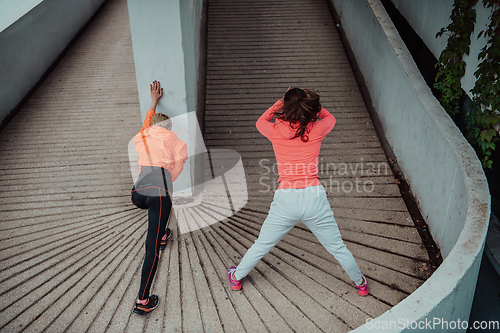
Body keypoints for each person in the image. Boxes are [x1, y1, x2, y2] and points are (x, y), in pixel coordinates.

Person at [227, 87, 369, 296]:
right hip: (314, 196)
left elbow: (260, 121)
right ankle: (360, 284)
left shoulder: (275, 130)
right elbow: (330, 117)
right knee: (337, 247)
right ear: (308, 108)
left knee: (262, 244)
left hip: (286, 198)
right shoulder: (317, 129)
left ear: (286, 107)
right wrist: (311, 107)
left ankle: (237, 278)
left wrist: (280, 101)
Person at [131, 81, 188, 315]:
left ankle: (163, 233)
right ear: (169, 128)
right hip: (159, 193)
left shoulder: (141, 136)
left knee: (158, 220)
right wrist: (169, 181)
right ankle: (142, 301)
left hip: (137, 194)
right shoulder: (174, 139)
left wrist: (153, 101)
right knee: (151, 248)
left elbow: (148, 122)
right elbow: (180, 162)